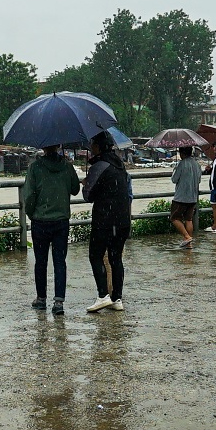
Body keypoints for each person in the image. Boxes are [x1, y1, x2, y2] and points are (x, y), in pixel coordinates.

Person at [23, 145, 80, 315]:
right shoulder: (67, 166)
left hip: (40, 221)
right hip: (61, 221)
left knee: (40, 262)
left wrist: (32, 213)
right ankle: (59, 302)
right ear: (59, 147)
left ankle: (41, 299)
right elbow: (76, 190)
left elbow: (29, 196)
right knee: (60, 261)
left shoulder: (35, 168)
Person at [83, 130, 131, 312]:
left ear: (98, 147)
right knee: (115, 258)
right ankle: (117, 298)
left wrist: (86, 183)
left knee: (95, 255)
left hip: (104, 220)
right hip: (122, 220)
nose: (90, 147)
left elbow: (88, 196)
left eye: (93, 144)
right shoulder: (119, 165)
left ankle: (102, 295)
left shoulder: (99, 166)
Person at [170, 146, 201, 248]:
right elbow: (199, 180)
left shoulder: (181, 164)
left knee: (174, 218)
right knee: (189, 219)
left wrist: (175, 169)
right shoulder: (197, 164)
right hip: (193, 197)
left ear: (182, 153)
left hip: (181, 197)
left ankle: (187, 237)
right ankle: (189, 244)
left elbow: (174, 179)